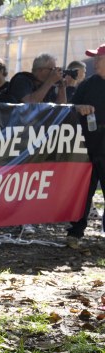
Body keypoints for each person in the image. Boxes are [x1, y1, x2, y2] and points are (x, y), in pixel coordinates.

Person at [66, 44, 105, 249]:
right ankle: (75, 232)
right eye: (95, 58)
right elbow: (70, 108)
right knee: (84, 191)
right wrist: (78, 108)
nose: (95, 62)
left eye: (99, 58)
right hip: (88, 145)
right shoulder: (87, 84)